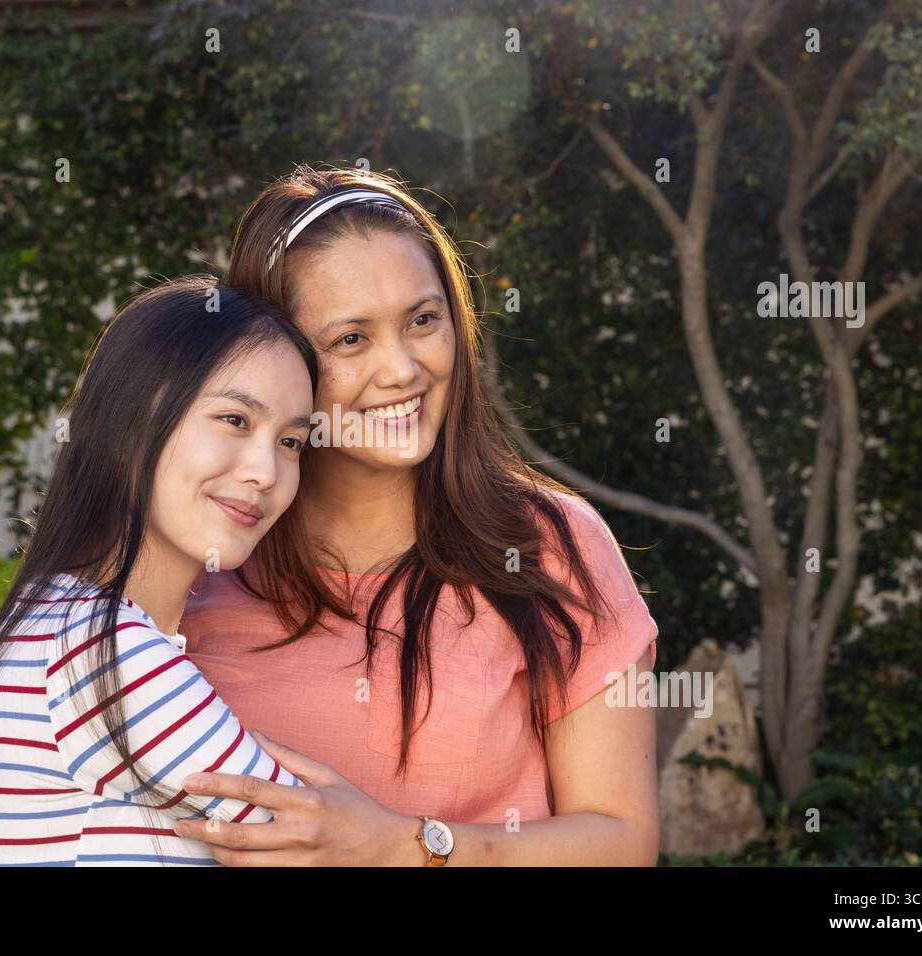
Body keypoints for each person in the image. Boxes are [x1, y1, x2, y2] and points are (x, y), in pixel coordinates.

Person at [174, 167, 661, 865]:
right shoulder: (206, 561)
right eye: (351, 339)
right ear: (274, 358)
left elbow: (623, 841)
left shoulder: (552, 546)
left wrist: (404, 848)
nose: (403, 368)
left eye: (423, 320)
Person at [0, 276, 317, 865]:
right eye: (234, 420)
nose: (265, 471)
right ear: (130, 423)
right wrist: (432, 844)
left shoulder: (51, 617)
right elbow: (319, 848)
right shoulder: (106, 654)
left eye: (292, 442)